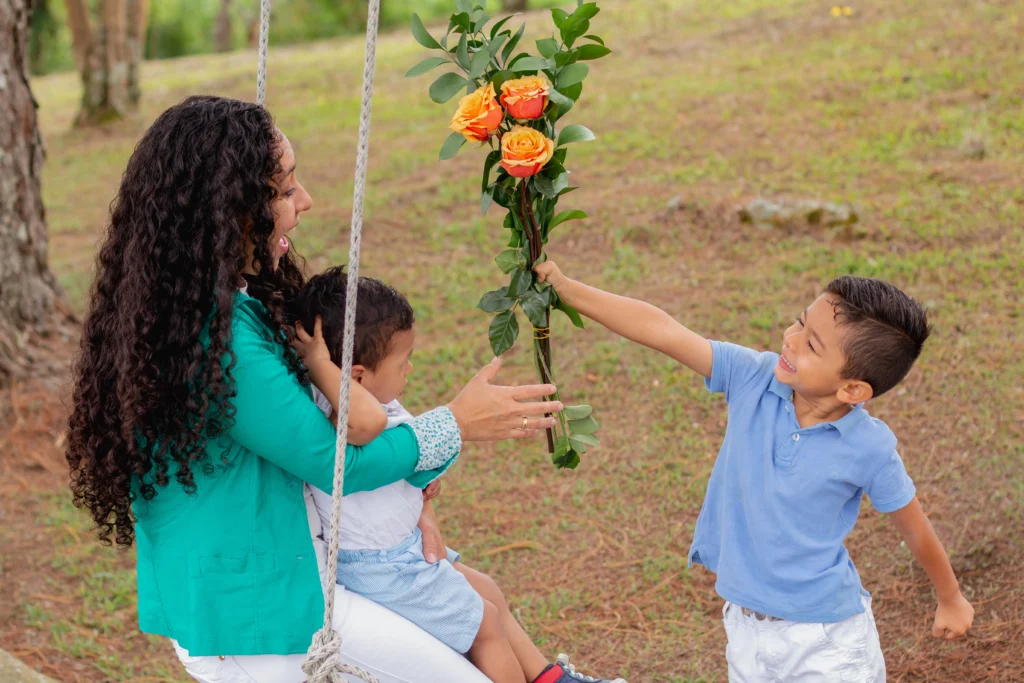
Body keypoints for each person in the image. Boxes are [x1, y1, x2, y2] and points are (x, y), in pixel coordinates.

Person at [64, 95, 563, 683]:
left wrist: (411, 507)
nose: (305, 201)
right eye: (284, 189)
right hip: (258, 615)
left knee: (475, 623)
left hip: (290, 580)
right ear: (229, 210)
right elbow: (335, 465)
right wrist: (453, 424)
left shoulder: (215, 306)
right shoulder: (218, 338)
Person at [533, 261, 975, 682]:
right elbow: (664, 331)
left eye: (812, 344)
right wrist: (568, 289)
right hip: (745, 627)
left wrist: (951, 598)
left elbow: (914, 527)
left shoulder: (870, 447)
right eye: (800, 322)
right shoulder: (754, 378)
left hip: (827, 639)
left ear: (853, 389)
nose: (791, 338)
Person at [289, 267, 626, 683]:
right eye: (403, 362)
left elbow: (403, 455)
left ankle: (551, 679)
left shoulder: (374, 401)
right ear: (357, 376)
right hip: (382, 567)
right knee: (485, 625)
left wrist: (421, 489)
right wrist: (320, 363)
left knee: (488, 591)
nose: (410, 369)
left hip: (403, 550)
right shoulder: (343, 414)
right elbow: (368, 426)